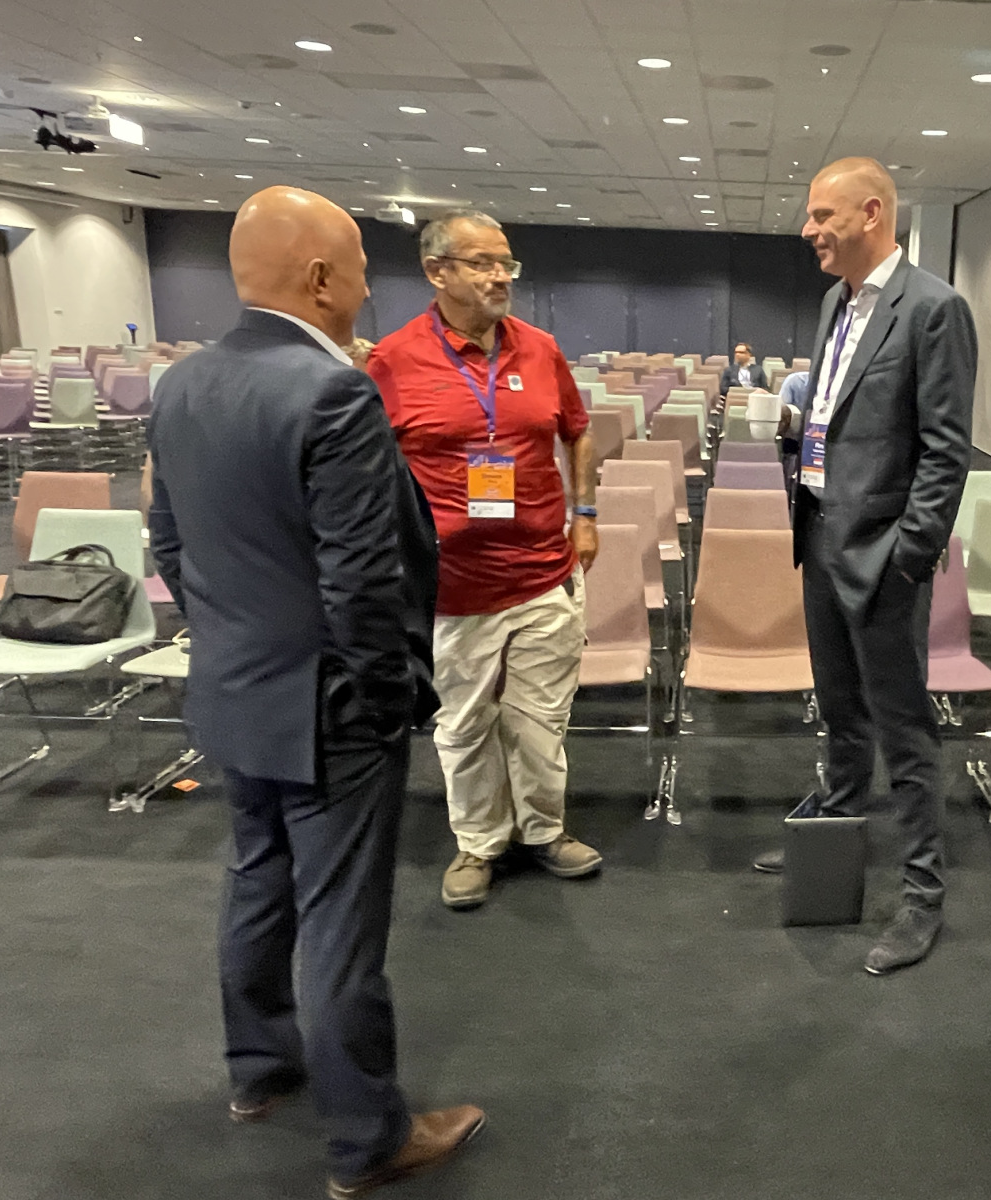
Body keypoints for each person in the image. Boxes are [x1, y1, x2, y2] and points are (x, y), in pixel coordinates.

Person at [147, 186, 484, 1197]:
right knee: (341, 925)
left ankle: (260, 1072)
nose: (368, 292)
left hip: (233, 690)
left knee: (257, 882)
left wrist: (230, 639)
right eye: (362, 272)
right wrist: (385, 698)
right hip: (329, 707)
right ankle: (367, 1140)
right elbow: (362, 580)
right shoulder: (332, 392)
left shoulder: (181, 383)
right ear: (323, 278)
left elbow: (170, 543)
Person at [756, 156, 977, 976]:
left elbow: (945, 452)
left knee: (905, 731)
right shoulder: (835, 303)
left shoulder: (935, 308)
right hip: (819, 535)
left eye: (822, 215)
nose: (808, 229)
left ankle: (922, 896)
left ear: (873, 213)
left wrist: (908, 560)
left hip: (885, 555)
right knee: (841, 711)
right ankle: (834, 828)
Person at [366, 209, 602, 911]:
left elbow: (578, 433)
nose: (501, 276)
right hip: (452, 587)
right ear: (436, 272)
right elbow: (370, 466)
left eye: (506, 263)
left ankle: (543, 830)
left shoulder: (540, 349)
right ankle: (479, 842)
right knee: (465, 724)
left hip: (543, 572)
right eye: (482, 263)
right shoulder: (394, 360)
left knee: (540, 720)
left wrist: (585, 515)